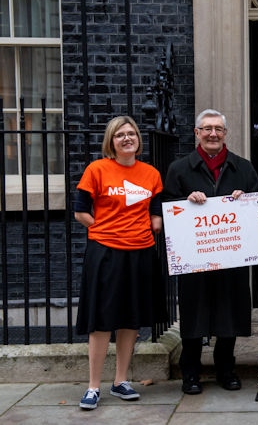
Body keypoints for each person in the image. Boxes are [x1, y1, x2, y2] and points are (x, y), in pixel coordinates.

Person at [163, 109, 258, 395]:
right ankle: (190, 372)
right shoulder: (179, 169)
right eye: (207, 129)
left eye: (218, 129)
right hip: (195, 257)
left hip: (232, 256)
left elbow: (257, 208)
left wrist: (246, 201)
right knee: (194, 314)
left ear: (225, 134)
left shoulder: (243, 168)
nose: (213, 134)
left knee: (229, 315)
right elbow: (167, 206)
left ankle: (225, 369)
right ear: (197, 133)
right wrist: (185, 200)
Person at [74, 116, 164, 410]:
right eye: (120, 135)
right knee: (101, 320)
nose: (127, 138)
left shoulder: (151, 174)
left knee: (131, 318)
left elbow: (155, 212)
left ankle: (121, 380)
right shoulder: (96, 170)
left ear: (138, 140)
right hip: (105, 253)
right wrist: (102, 230)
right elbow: (80, 211)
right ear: (111, 141)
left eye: (132, 134)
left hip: (141, 252)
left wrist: (157, 222)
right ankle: (93, 386)